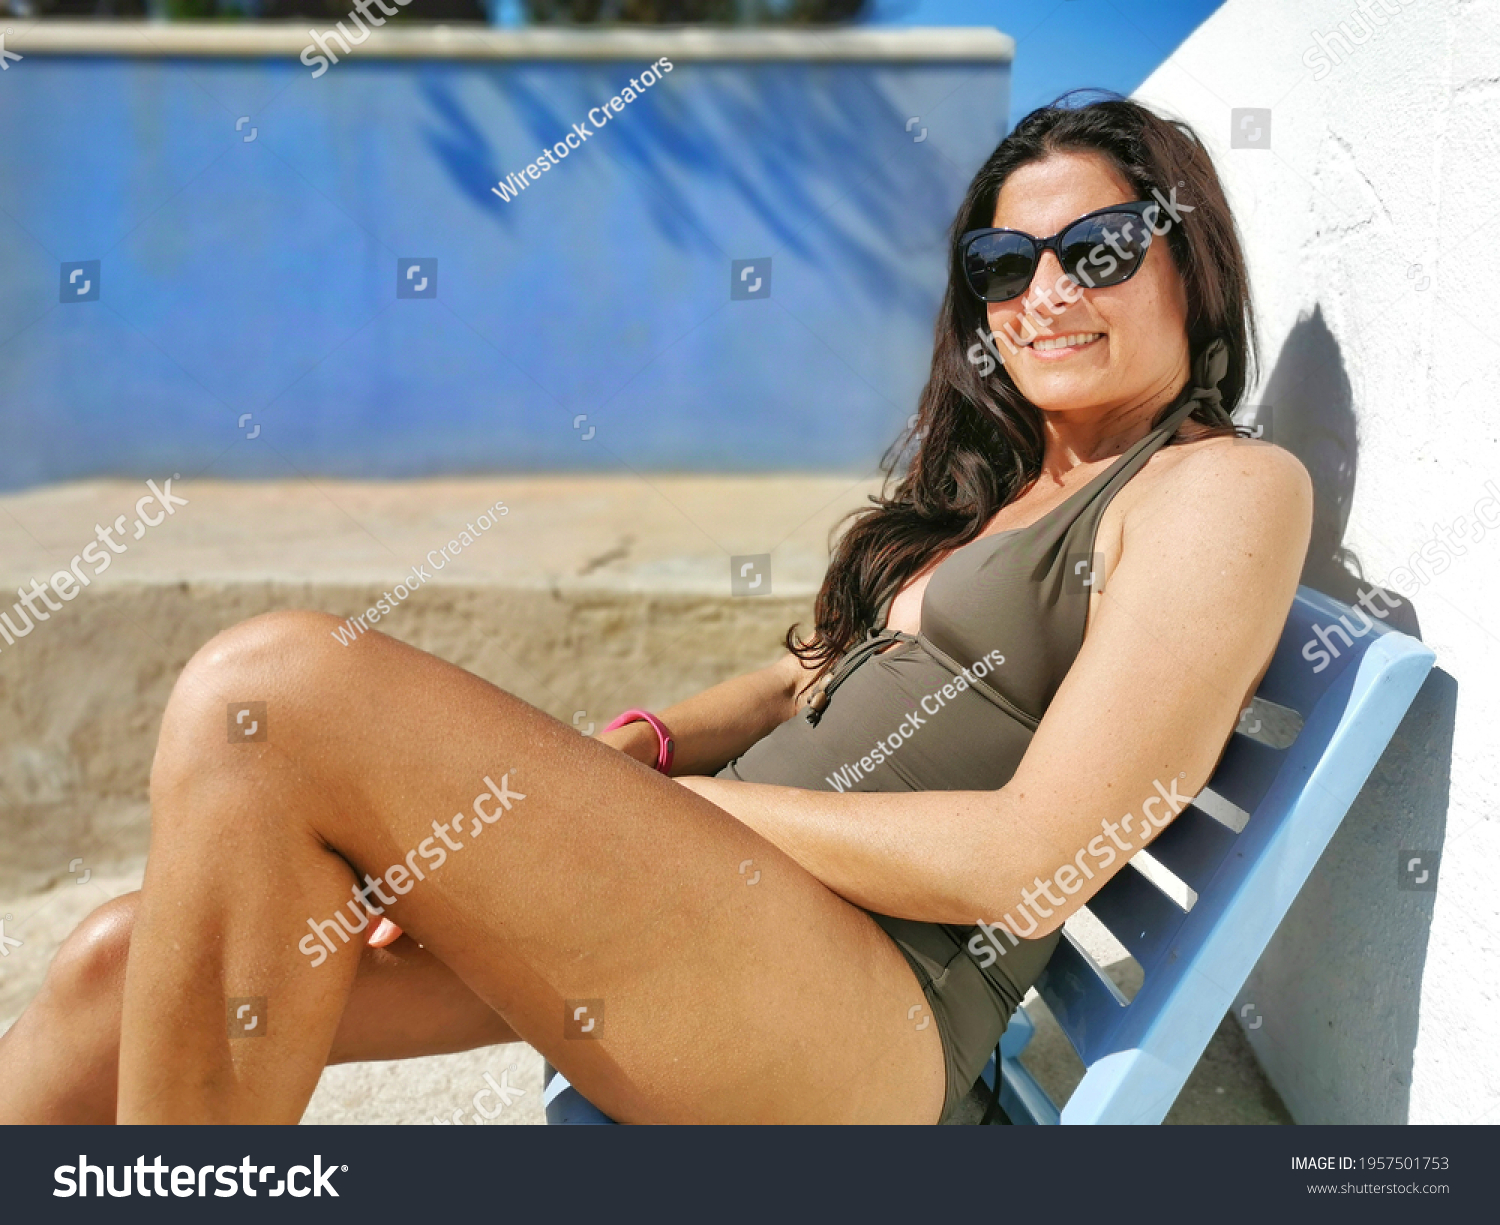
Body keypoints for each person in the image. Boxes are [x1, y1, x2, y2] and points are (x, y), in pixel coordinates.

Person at [0, 94, 1311, 1125]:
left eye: (1096, 249)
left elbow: (1035, 857)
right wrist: (643, 746)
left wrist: (666, 807)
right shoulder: (1001, 500)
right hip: (720, 916)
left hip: (865, 1015)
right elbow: (803, 675)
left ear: (1185, 256)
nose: (1046, 292)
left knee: (269, 690)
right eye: (1003, 262)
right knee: (119, 970)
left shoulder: (1216, 489)